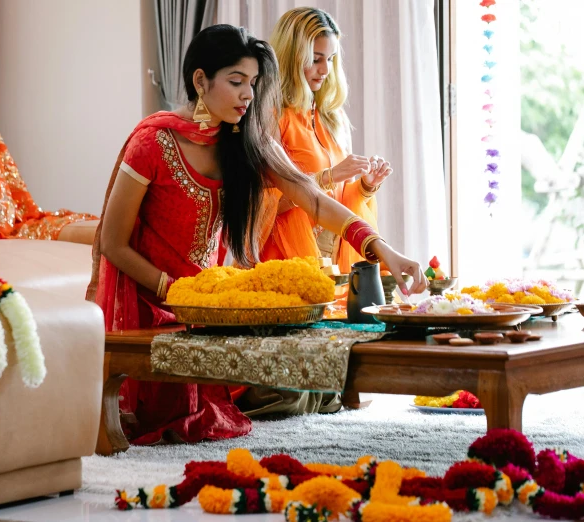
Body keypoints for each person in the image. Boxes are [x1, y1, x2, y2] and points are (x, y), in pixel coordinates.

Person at [86, 24, 426, 445]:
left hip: (210, 312)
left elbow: (315, 201)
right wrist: (173, 290)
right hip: (152, 308)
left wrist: (383, 250)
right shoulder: (153, 143)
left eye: (252, 84)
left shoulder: (247, 143)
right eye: (235, 82)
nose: (248, 95)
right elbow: (111, 243)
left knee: (303, 379)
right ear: (200, 80)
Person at [239, 7, 395, 418]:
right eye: (316, 58)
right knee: (298, 394)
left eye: (331, 58)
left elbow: (336, 200)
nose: (325, 69)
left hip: (327, 255)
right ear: (293, 56)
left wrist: (363, 186)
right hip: (285, 256)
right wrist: (326, 177)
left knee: (325, 390)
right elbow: (263, 200)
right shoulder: (270, 116)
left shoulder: (329, 117)